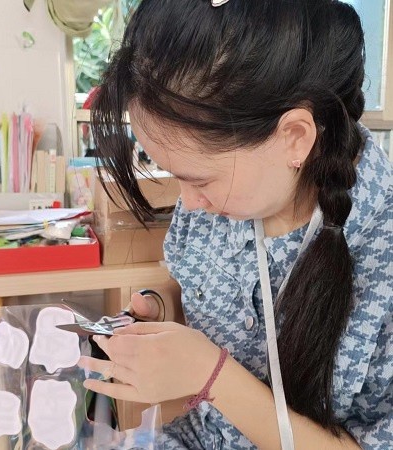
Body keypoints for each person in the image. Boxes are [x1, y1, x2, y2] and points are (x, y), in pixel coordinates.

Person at [78, 0, 392, 448]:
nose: (188, 203)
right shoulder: (221, 203)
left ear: (295, 138)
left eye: (200, 179)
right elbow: (195, 299)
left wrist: (211, 376)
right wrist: (160, 313)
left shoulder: (383, 250)